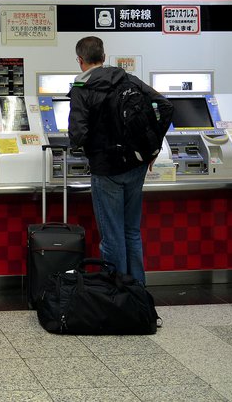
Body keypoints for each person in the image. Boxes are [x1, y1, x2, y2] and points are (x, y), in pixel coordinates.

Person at [67, 36, 170, 285]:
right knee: (131, 232)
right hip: (136, 164)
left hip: (106, 170)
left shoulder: (82, 89)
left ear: (80, 60)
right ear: (103, 57)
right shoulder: (127, 79)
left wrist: (81, 143)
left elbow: (78, 135)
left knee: (112, 236)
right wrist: (153, 149)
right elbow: (165, 106)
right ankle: (137, 292)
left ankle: (117, 294)